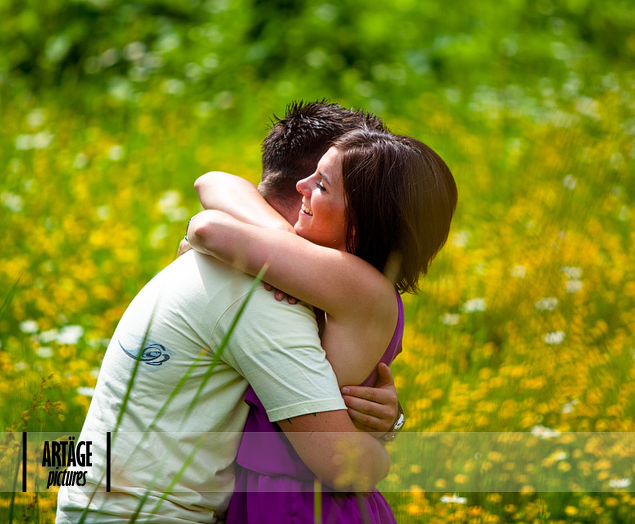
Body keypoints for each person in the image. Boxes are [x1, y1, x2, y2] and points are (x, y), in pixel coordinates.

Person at [55, 101, 401, 524]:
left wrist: (387, 415)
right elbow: (339, 463)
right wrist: (384, 447)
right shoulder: (263, 293)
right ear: (304, 190)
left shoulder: (245, 268)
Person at [186, 126, 458, 522]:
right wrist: (282, 240)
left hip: (305, 503)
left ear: (360, 225)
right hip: (282, 492)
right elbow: (211, 181)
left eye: (322, 186)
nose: (301, 185)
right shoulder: (349, 287)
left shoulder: (358, 286)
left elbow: (206, 229)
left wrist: (276, 249)